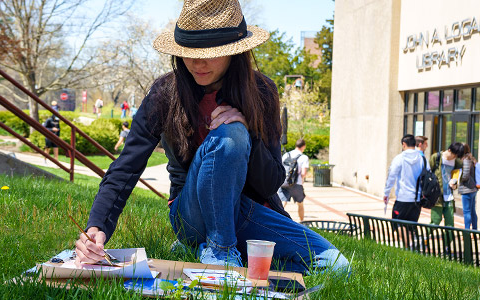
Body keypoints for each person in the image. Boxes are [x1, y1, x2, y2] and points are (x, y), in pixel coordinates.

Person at [74, 0, 349, 275]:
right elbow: (126, 167)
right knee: (230, 136)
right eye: (189, 52)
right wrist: (97, 226)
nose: (197, 63)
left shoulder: (263, 92)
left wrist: (249, 134)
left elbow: (272, 181)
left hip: (246, 211)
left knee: (336, 267)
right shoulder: (165, 94)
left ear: (234, 52)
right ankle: (219, 254)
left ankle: (202, 251)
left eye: (210, 52)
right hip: (191, 213)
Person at [383, 134, 425, 223]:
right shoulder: (422, 159)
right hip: (416, 200)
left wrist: (386, 193)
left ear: (404, 144)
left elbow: (391, 177)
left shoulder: (399, 158)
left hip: (402, 199)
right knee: (410, 228)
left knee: (399, 227)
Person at [429, 142, 464, 227]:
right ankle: (423, 238)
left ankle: (448, 240)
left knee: (450, 225)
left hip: (449, 196)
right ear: (449, 150)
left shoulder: (457, 162)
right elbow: (428, 174)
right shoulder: (436, 157)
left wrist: (455, 184)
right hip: (437, 196)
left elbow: (458, 176)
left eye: (457, 156)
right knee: (435, 221)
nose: (455, 157)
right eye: (454, 155)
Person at [277, 139, 309, 221]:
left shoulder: (286, 155)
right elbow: (303, 173)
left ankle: (278, 220)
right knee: (300, 204)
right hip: (296, 184)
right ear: (303, 146)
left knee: (283, 202)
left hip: (284, 182)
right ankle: (302, 222)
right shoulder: (303, 157)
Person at [458, 144, 477, 230]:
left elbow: (465, 175)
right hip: (473, 189)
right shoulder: (471, 159)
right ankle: (474, 230)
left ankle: (467, 231)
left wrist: (458, 180)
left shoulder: (465, 160)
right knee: (472, 211)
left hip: (467, 189)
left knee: (466, 212)